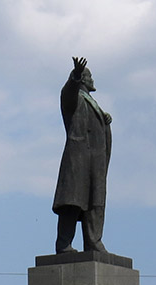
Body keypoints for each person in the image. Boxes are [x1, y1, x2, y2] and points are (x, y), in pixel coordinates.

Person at [53, 56, 112, 254]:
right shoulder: (75, 98)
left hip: (95, 162)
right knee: (72, 203)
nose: (92, 79)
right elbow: (67, 94)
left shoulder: (93, 103)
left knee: (95, 203)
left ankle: (94, 242)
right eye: (89, 76)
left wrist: (105, 121)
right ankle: (64, 244)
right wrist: (76, 75)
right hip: (78, 159)